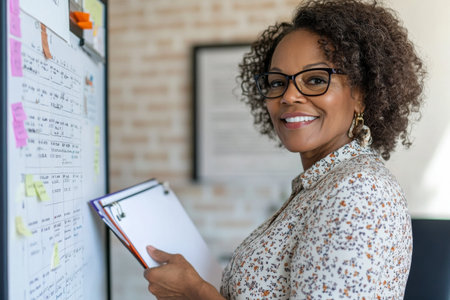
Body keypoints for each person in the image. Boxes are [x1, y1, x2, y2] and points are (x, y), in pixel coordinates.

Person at [143, 0, 425, 298]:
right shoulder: (323, 184)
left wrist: (196, 293)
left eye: (315, 80)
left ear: (361, 94)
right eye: (277, 82)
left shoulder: (358, 192)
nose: (289, 96)